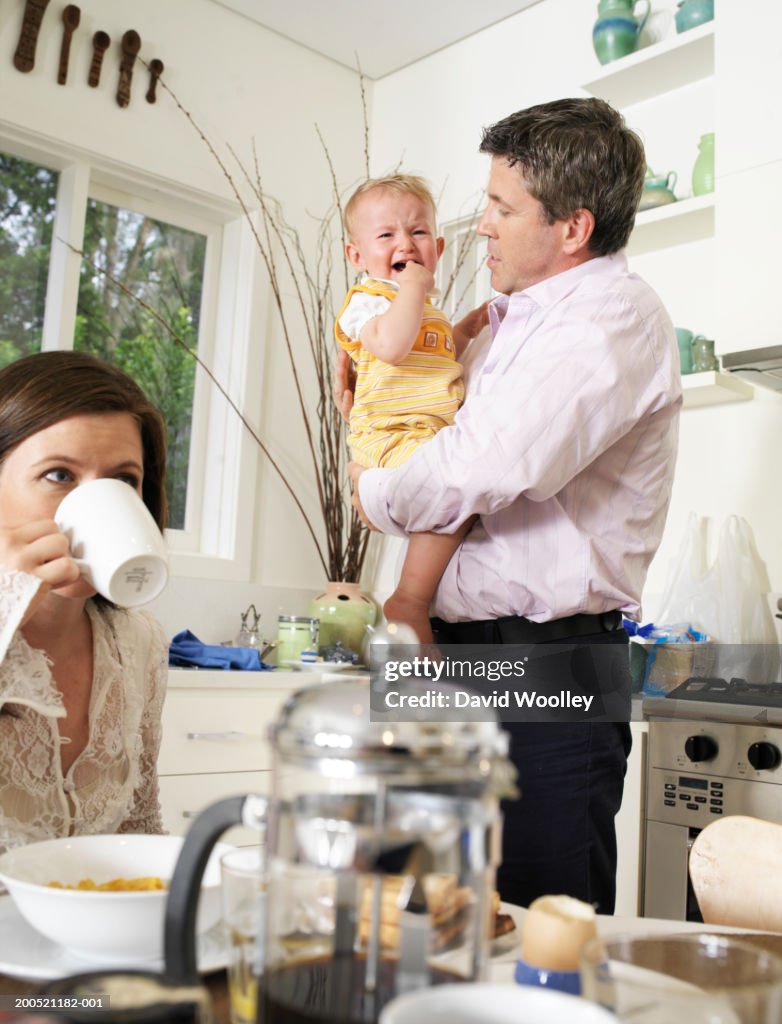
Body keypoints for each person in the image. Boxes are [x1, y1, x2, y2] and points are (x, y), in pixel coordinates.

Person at [344, 98, 682, 913]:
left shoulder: (609, 319)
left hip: (545, 669)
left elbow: (475, 468)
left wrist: (370, 488)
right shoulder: (502, 324)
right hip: (443, 650)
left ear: (572, 228)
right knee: (406, 911)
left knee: (538, 926)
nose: (481, 227)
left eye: (501, 207)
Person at [0, 351, 170, 851]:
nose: (98, 504)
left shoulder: (139, 641)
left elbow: (139, 831)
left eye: (123, 481)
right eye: (59, 474)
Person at [337, 174, 487, 643]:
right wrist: (414, 290)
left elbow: (442, 354)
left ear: (438, 246)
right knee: (453, 494)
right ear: (357, 256)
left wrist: (469, 325)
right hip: (391, 432)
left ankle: (415, 595)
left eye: (418, 232)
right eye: (386, 235)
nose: (405, 242)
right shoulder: (365, 304)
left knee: (460, 498)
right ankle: (410, 598)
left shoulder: (425, 310)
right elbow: (396, 346)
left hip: (428, 432)